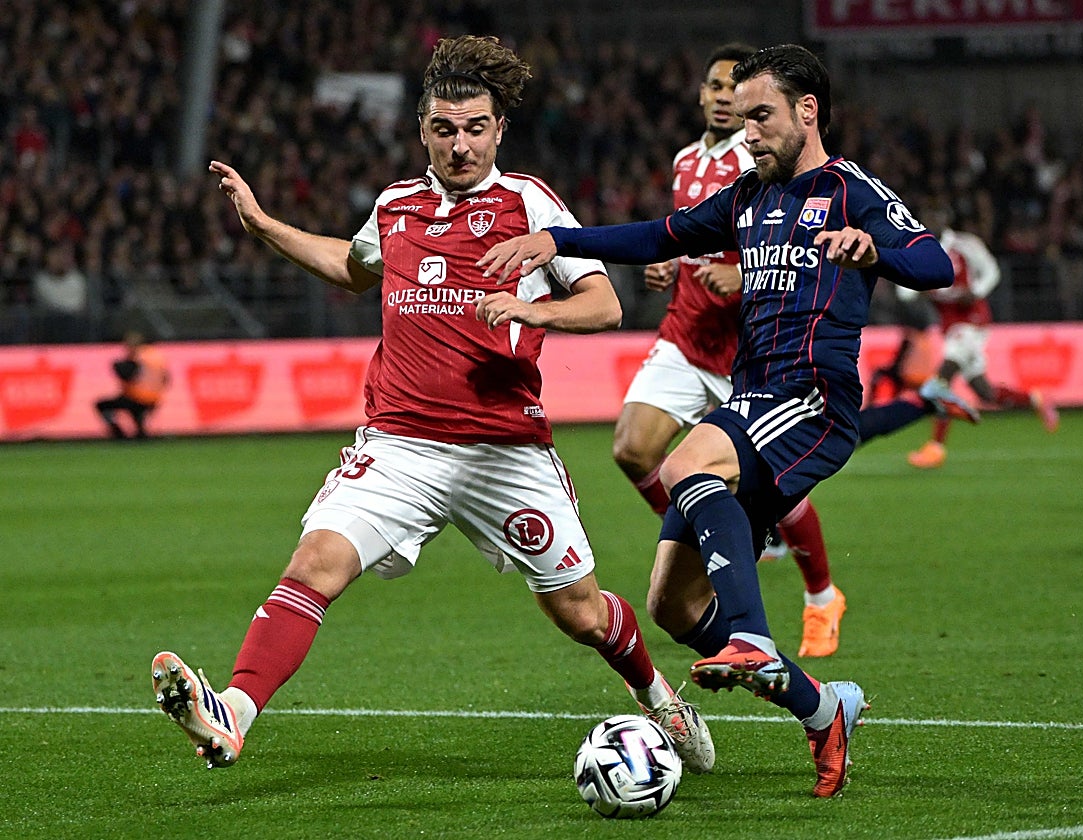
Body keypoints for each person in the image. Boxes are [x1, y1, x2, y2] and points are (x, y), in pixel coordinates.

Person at [151, 35, 714, 775]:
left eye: (475, 129)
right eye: (445, 130)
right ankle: (232, 714)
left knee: (578, 610)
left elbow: (604, 304)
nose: (460, 146)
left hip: (504, 451)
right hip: (400, 444)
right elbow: (350, 269)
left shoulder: (528, 202)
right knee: (316, 561)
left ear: (499, 129)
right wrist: (263, 225)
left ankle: (654, 692)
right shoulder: (395, 206)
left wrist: (532, 309)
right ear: (422, 130)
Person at [480, 44, 956, 797]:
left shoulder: (847, 190)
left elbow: (936, 263)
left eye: (761, 116)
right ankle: (823, 707)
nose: (748, 131)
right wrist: (558, 239)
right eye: (741, 117)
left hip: (812, 398)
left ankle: (755, 636)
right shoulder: (746, 198)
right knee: (671, 604)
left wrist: (876, 249)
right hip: (751, 395)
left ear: (808, 112)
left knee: (682, 465)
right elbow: (658, 237)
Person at [614, 43, 851, 659]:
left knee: (786, 496)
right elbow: (684, 233)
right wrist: (669, 263)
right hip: (687, 333)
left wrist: (744, 279)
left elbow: (798, 257)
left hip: (750, 351)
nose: (723, 97)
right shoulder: (687, 159)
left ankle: (822, 595)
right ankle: (717, 542)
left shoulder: (769, 162)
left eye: (734, 89)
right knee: (632, 447)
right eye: (714, 86)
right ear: (699, 95)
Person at [905, 200, 1059, 470]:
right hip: (950, 327)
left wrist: (975, 292)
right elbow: (903, 291)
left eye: (937, 214)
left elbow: (991, 271)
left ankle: (936, 447)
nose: (932, 220)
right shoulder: (917, 249)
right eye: (928, 215)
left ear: (947, 218)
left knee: (942, 379)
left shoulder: (964, 244)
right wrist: (917, 287)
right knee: (984, 392)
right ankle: (1035, 398)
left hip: (972, 321)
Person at [95, 331, 170, 439]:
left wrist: (118, 366)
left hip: (136, 397)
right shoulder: (156, 356)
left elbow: (129, 375)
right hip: (154, 398)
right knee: (137, 414)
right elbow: (166, 379)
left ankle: (117, 432)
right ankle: (140, 433)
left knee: (102, 406)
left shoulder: (137, 356)